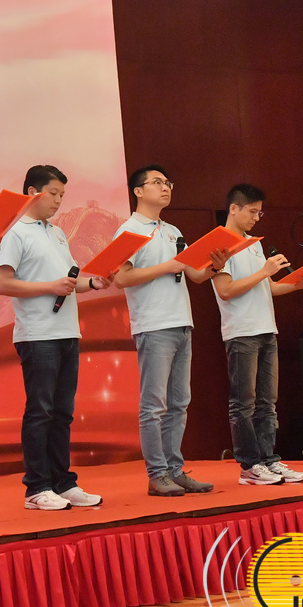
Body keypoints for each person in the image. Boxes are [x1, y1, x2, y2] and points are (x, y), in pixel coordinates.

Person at [0, 165, 110, 511]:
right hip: (38, 334)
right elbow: (1, 283)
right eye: (53, 193)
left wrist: (94, 283)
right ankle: (36, 487)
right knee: (40, 411)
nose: (59, 201)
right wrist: (49, 287)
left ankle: (63, 482)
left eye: (62, 195)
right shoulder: (16, 232)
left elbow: (68, 282)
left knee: (62, 413)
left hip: (67, 331)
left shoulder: (56, 233)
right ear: (32, 192)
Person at [113, 165, 228, 497]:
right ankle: (157, 474)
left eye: (167, 182)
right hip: (153, 325)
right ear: (138, 191)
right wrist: (167, 266)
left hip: (181, 322)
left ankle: (175, 470)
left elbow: (195, 275)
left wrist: (215, 265)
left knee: (179, 403)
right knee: (154, 405)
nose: (165, 188)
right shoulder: (129, 230)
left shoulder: (172, 230)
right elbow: (120, 277)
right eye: (157, 182)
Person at [212, 184, 303, 486]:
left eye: (260, 212)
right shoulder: (218, 244)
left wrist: (299, 282)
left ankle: (269, 459)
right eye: (252, 211)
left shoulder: (253, 243)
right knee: (243, 403)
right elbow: (225, 290)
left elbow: (267, 287)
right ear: (234, 209)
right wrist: (265, 271)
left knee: (267, 402)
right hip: (242, 331)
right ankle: (249, 465)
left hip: (266, 328)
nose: (257, 218)